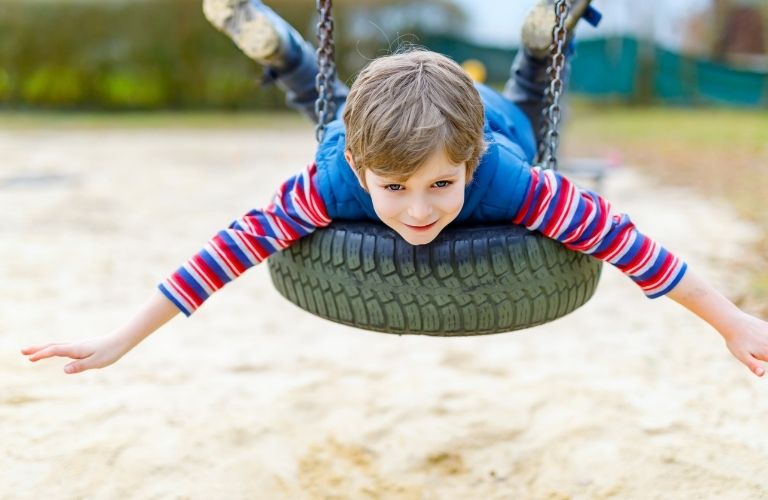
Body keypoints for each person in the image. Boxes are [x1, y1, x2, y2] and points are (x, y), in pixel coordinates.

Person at [21, 0, 768, 377]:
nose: (420, 211)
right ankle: (536, 42)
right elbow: (223, 256)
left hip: (496, 120)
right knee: (326, 105)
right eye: (394, 188)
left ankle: (544, 41)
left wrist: (733, 322)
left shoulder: (512, 180)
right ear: (363, 166)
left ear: (470, 165)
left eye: (443, 184)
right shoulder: (337, 174)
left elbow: (637, 251)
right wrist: (119, 338)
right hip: (362, 128)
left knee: (533, 106)